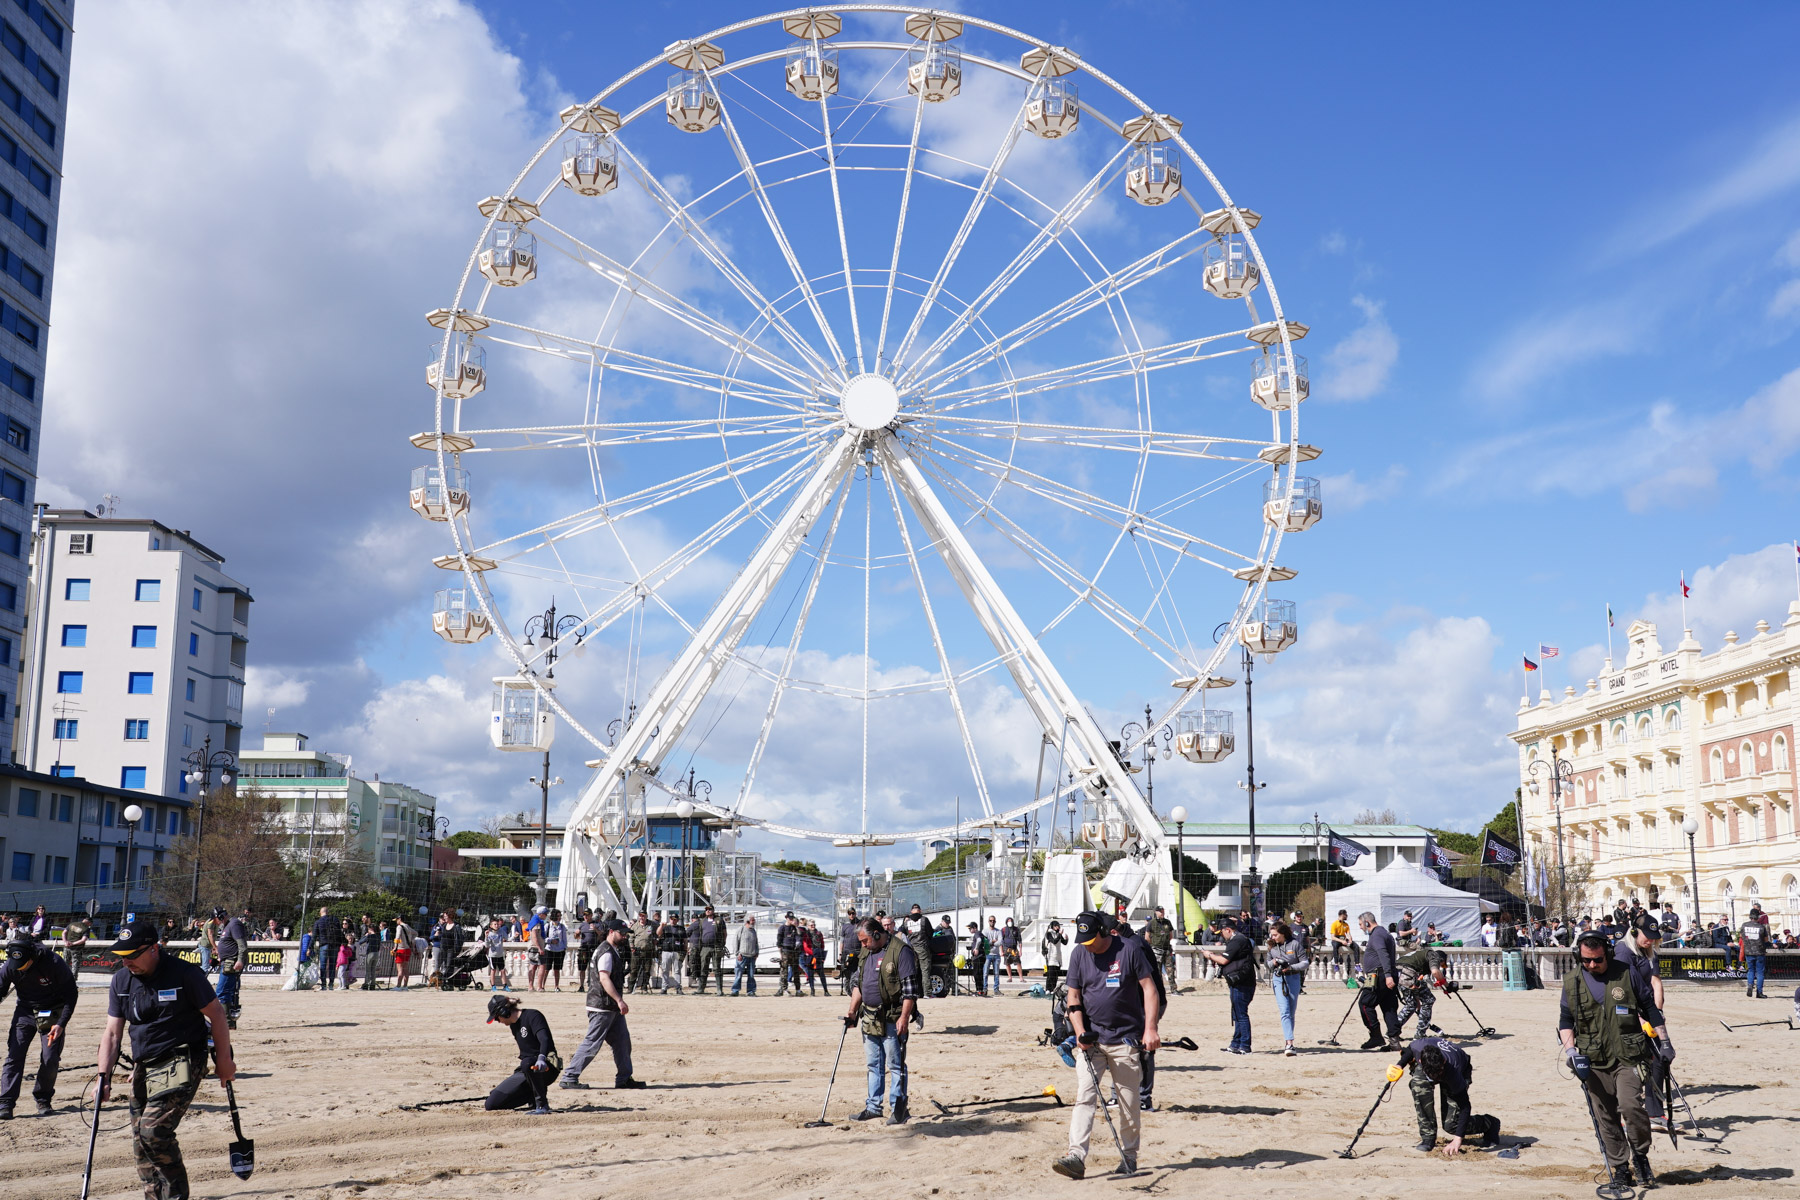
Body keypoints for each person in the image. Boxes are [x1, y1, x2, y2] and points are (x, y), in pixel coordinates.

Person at [93, 916, 237, 1199]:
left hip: (182, 1059)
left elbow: (217, 1014)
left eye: (133, 955)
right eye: (122, 956)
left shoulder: (184, 974)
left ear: (154, 948)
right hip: (145, 1064)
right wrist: (103, 1077)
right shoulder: (121, 980)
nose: (126, 962)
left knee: (153, 1133)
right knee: (139, 1142)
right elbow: (112, 1033)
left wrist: (224, 1060)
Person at [1052, 910, 1160, 1179]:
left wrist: (1150, 1029)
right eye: (1083, 940)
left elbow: (1149, 989)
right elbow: (1074, 997)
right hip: (1092, 1041)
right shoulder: (1079, 953)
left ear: (1104, 931)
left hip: (1126, 1039)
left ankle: (1129, 1157)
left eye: (1091, 939)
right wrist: (1079, 1033)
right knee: (1085, 1096)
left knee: (1128, 1102)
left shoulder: (1130, 950)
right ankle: (1075, 1156)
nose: (1087, 945)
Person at [1560, 930, 1671, 1190]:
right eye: (1586, 960)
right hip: (1592, 1060)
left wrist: (1665, 1043)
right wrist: (1571, 1053)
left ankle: (1641, 1156)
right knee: (1605, 1117)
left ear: (1607, 954)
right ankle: (1620, 1167)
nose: (1592, 965)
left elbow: (1650, 1008)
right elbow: (1566, 1021)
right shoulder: (1571, 981)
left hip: (1628, 1056)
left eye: (1597, 960)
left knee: (1631, 1107)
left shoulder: (1625, 972)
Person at [844, 917, 920, 1125]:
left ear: (877, 934)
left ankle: (899, 1109)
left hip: (892, 1018)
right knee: (873, 1065)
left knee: (895, 1065)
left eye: (865, 940)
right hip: (869, 1017)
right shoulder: (866, 952)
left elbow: (910, 991)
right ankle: (873, 1107)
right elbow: (859, 985)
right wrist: (852, 1011)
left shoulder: (901, 951)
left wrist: (904, 1017)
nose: (863, 945)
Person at [560, 920, 647, 1091]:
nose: (624, 936)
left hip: (609, 1006)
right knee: (592, 1043)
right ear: (611, 932)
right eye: (621, 933)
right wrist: (619, 1000)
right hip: (603, 1006)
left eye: (625, 933)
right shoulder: (606, 952)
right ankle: (569, 1077)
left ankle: (624, 1078)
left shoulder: (611, 949)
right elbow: (604, 978)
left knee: (622, 1042)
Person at [0, 932, 78, 1117]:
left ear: (33, 956)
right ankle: (5, 1103)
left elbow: (71, 995)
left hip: (53, 1011)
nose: (18, 969)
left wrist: (61, 1024)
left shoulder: (54, 963)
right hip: (25, 1011)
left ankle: (43, 1099)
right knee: (14, 1055)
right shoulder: (10, 966)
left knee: (50, 1058)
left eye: (23, 965)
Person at [1615, 915, 1675, 1134]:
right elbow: (1620, 990)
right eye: (1646, 937)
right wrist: (1638, 1019)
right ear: (1634, 932)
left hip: (1646, 1010)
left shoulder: (1646, 952)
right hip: (1626, 1013)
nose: (1650, 941)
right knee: (1634, 1064)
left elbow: (1654, 983)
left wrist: (1656, 1013)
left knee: (1660, 1058)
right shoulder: (1623, 952)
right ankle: (1630, 1114)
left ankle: (1654, 1112)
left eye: (1653, 938)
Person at [1395, 1035, 1500, 1155]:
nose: (1435, 1078)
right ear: (1420, 1061)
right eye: (1431, 1075)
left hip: (1457, 1069)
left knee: (1451, 1124)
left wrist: (1457, 1139)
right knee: (1418, 1084)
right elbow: (1408, 1050)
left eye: (1437, 1074)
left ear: (1443, 1062)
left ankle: (1490, 1123)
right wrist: (1399, 1065)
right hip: (1431, 1063)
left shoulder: (1454, 1072)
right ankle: (1428, 1137)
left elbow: (1465, 1106)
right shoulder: (1419, 1049)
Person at [483, 994, 557, 1114]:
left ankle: (541, 1105)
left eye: (497, 1018)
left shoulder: (533, 1016)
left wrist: (542, 1058)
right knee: (491, 1103)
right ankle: (531, 1095)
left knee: (527, 1063)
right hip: (526, 1070)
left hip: (545, 1066)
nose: (498, 1021)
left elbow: (545, 1040)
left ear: (504, 1012)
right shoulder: (514, 1025)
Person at [1200, 915, 1256, 1053]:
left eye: (1222, 932)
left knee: (1241, 1014)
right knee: (1237, 1013)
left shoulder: (1236, 941)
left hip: (1241, 983)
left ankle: (1245, 1046)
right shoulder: (1240, 939)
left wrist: (1209, 955)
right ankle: (1235, 1044)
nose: (1222, 936)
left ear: (1228, 930)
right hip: (1242, 981)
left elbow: (1224, 961)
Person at [1355, 911, 1402, 1050]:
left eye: (1360, 924)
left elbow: (1383, 954)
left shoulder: (1377, 935)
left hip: (1377, 976)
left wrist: (1387, 975)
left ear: (1367, 922)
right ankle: (1394, 1041)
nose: (1360, 927)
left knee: (1365, 1004)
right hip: (1384, 974)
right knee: (1388, 1007)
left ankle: (1376, 1036)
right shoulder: (1384, 933)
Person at [1395, 932, 1447, 1039]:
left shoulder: (1420, 958)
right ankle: (1420, 1035)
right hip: (1407, 971)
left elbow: (1416, 989)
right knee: (1428, 1000)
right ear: (1440, 959)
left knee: (1411, 1004)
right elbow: (1435, 972)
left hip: (1397, 972)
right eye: (1441, 965)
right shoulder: (1434, 955)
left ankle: (1393, 1032)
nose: (1440, 967)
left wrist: (1419, 1007)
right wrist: (1447, 985)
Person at [1267, 919, 1308, 1056]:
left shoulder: (1295, 944)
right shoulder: (1271, 947)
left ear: (1283, 933)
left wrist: (1290, 967)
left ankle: (1289, 1040)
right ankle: (1289, 1043)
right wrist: (1273, 962)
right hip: (1278, 979)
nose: (1272, 937)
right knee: (1284, 1010)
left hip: (1293, 978)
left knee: (1291, 1011)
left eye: (1275, 935)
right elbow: (1267, 963)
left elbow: (1305, 962)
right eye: (1271, 935)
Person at [212, 907, 249, 1023]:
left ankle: (225, 1022)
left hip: (231, 963)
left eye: (215, 920)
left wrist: (240, 960)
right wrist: (219, 958)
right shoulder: (228, 925)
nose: (215, 923)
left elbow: (242, 945)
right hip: (226, 962)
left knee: (222, 992)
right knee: (229, 991)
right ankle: (230, 1022)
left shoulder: (234, 925)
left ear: (221, 917)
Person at [312, 906, 345, 991]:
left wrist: (310, 947)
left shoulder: (318, 922)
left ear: (320, 913)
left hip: (324, 944)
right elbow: (339, 932)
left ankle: (323, 985)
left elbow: (314, 936)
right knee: (332, 965)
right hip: (334, 945)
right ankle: (331, 984)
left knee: (323, 966)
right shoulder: (334, 920)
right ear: (328, 912)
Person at [697, 907, 727, 995]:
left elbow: (724, 933)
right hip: (705, 947)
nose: (707, 911)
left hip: (716, 947)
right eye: (706, 910)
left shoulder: (719, 920)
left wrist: (722, 944)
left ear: (713, 911)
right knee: (703, 968)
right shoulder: (702, 921)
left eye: (709, 909)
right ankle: (701, 989)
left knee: (717, 968)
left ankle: (719, 990)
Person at [1142, 907, 1175, 988]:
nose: (1162, 913)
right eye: (1160, 912)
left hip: (1167, 949)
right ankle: (1160, 989)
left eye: (1163, 911)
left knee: (1170, 970)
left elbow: (1171, 936)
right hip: (1156, 950)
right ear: (1156, 912)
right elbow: (1147, 937)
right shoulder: (1151, 923)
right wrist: (1154, 944)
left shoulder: (1167, 922)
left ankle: (1173, 989)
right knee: (1157, 971)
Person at [1741, 904, 1769, 998]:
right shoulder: (1761, 927)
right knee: (1760, 972)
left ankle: (1749, 985)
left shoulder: (1744, 926)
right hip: (1760, 952)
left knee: (1751, 970)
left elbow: (1742, 937)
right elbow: (1766, 940)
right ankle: (1759, 992)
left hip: (1748, 951)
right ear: (1758, 917)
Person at [775, 912, 805, 996]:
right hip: (785, 950)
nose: (791, 920)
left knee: (796, 971)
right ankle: (784, 989)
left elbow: (799, 935)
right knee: (784, 971)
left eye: (792, 918)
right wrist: (780, 953)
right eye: (790, 918)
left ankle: (798, 990)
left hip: (794, 951)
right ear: (786, 918)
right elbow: (779, 942)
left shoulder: (794, 928)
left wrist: (796, 926)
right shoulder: (782, 928)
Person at [656, 911, 686, 995]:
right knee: (665, 970)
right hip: (666, 951)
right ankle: (664, 988)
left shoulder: (681, 928)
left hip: (677, 951)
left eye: (675, 919)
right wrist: (661, 926)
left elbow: (685, 940)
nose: (673, 920)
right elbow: (658, 933)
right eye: (671, 919)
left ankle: (678, 988)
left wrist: (685, 950)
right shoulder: (666, 928)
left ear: (677, 920)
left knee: (677, 970)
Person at [626, 912, 655, 994]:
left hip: (648, 951)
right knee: (634, 970)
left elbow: (655, 935)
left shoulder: (651, 925)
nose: (642, 917)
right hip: (637, 951)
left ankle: (644, 987)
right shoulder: (635, 926)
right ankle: (630, 988)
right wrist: (632, 947)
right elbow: (631, 938)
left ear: (646, 916)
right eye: (640, 916)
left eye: (644, 916)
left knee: (647, 970)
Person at [731, 915, 760, 995]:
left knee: (751, 975)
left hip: (752, 957)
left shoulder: (754, 931)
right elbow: (735, 942)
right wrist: (737, 954)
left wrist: (757, 953)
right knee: (738, 974)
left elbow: (756, 943)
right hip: (742, 956)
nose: (754, 922)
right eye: (752, 920)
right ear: (747, 921)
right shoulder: (741, 930)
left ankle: (751, 991)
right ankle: (735, 990)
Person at [837, 908, 861, 996]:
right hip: (846, 952)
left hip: (857, 952)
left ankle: (856, 989)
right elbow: (842, 940)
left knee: (856, 971)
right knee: (847, 972)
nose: (851, 915)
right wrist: (840, 953)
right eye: (849, 914)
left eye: (853, 913)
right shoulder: (845, 926)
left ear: (855, 913)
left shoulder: (859, 925)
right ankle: (849, 990)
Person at [484, 918, 512, 991]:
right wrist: (486, 937)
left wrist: (514, 936)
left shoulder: (501, 931)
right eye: (495, 924)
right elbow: (487, 945)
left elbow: (508, 938)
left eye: (497, 924)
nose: (497, 926)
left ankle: (505, 986)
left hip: (500, 954)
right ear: (491, 926)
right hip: (492, 955)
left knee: (502, 970)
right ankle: (493, 986)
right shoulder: (489, 933)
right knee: (493, 970)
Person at [1042, 919, 1068, 994]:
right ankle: (1048, 989)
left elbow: (1064, 942)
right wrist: (1060, 934)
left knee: (1056, 974)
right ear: (1052, 926)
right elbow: (1054, 941)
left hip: (1058, 956)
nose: (1058, 927)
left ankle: (1053, 989)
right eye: (1056, 926)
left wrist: (1066, 938)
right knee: (1050, 973)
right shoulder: (1049, 933)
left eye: (1058, 926)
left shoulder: (1058, 934)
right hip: (1051, 956)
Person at [964, 921, 990, 996]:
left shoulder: (977, 933)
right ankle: (980, 990)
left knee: (977, 973)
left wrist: (976, 948)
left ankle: (979, 990)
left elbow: (979, 940)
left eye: (970, 928)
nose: (969, 930)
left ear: (974, 928)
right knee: (979, 973)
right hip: (981, 957)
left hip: (978, 957)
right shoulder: (978, 934)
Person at [356, 915, 381, 991]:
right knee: (373, 970)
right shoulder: (378, 936)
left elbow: (360, 942)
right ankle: (373, 984)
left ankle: (366, 984)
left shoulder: (370, 936)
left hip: (370, 953)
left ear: (371, 929)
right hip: (376, 953)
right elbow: (379, 945)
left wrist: (365, 935)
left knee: (368, 970)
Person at [392, 915, 417, 989]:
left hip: (400, 949)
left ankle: (398, 986)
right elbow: (415, 933)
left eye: (397, 920)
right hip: (407, 949)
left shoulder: (399, 927)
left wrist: (395, 947)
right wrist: (411, 940)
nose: (396, 921)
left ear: (400, 919)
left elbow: (397, 937)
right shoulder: (407, 926)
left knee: (400, 969)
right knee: (406, 968)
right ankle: (405, 986)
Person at [1328, 909, 1352, 977]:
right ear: (1342, 915)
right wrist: (1342, 941)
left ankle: (1356, 964)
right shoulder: (1334, 924)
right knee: (1335, 946)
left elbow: (1348, 933)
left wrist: (1350, 939)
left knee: (1354, 946)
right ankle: (1336, 963)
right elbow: (1333, 937)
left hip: (1343, 938)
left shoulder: (1346, 924)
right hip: (1337, 939)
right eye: (1346, 915)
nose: (1347, 916)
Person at [984, 916, 1004, 994]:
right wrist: (993, 942)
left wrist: (991, 942)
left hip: (996, 955)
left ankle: (996, 989)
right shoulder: (985, 931)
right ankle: (985, 988)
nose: (992, 922)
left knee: (996, 973)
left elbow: (1000, 942)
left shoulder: (998, 931)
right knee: (985, 973)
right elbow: (985, 942)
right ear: (988, 921)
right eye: (991, 920)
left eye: (993, 921)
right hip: (988, 954)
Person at [1000, 916, 1024, 982]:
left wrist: (1020, 950)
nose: (1010, 923)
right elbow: (1000, 941)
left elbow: (1020, 941)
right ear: (1006, 922)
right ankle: (1010, 977)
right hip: (1006, 949)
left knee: (1018, 963)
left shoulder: (1016, 930)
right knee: (1007, 963)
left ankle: (1021, 978)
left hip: (1014, 949)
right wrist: (1001, 951)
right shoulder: (1003, 930)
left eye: (1011, 921)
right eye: (1008, 921)